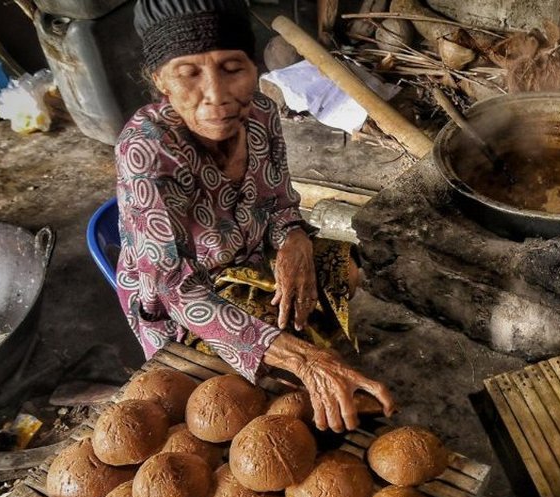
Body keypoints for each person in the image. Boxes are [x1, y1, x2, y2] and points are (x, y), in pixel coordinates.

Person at [116, 0, 394, 432]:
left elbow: (280, 204)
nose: (217, 95)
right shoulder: (149, 149)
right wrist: (302, 358)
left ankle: (304, 352)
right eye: (189, 73)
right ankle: (298, 361)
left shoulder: (260, 115)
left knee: (346, 270)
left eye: (232, 68)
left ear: (253, 68)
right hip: (183, 302)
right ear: (161, 82)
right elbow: (171, 287)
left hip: (251, 261)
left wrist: (295, 242)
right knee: (253, 403)